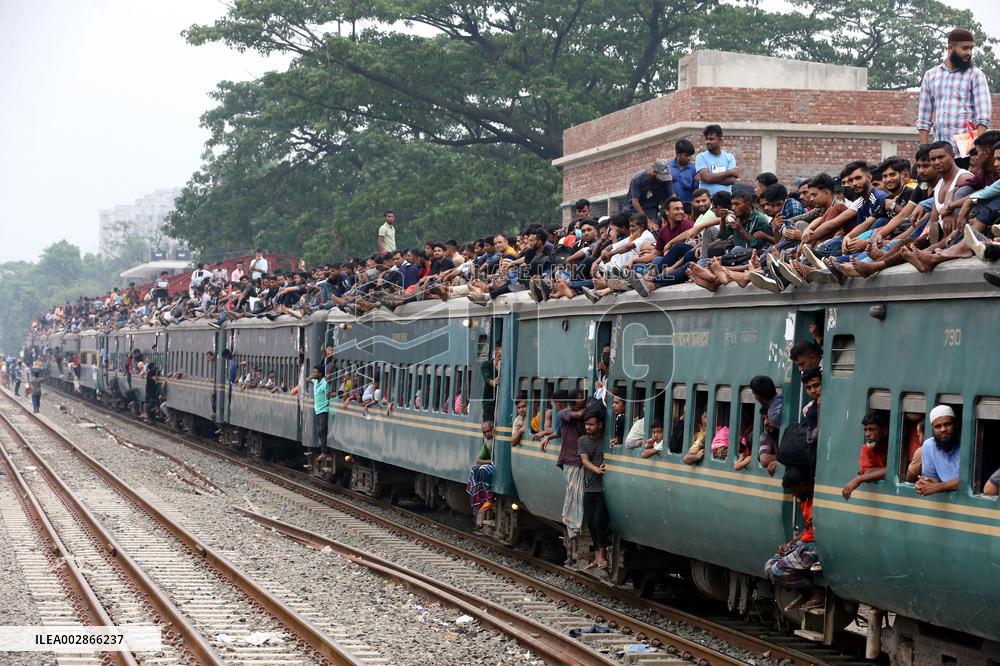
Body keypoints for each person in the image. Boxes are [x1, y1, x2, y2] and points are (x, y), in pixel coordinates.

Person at [916, 28, 992, 155]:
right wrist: (923, 149)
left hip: (966, 152)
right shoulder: (931, 76)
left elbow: (983, 116)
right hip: (940, 152)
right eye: (965, 48)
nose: (969, 53)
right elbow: (924, 118)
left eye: (971, 48)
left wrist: (977, 149)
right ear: (950, 48)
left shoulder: (975, 75)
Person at [765, 465, 824, 612]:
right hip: (804, 544)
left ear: (803, 485)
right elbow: (808, 528)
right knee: (769, 566)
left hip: (814, 547)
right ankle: (805, 593)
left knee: (777, 571)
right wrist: (790, 543)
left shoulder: (819, 502)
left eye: (794, 490)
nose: (794, 495)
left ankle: (815, 592)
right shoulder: (805, 500)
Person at [578, 406, 610, 571]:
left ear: (600, 425)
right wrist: (596, 469)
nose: (588, 427)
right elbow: (584, 460)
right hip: (590, 487)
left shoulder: (607, 439)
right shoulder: (583, 441)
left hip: (603, 489)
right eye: (586, 424)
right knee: (590, 522)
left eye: (591, 424)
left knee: (599, 521)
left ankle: (602, 555)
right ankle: (597, 555)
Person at [841, 411, 889, 500]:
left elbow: (895, 472)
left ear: (884, 430)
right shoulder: (866, 449)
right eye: (865, 430)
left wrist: (859, 479)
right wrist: (885, 471)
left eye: (871, 429)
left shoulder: (896, 446)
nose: (867, 434)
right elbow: (867, 473)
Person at [916, 405, 960, 496]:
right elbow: (932, 478)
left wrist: (938, 487)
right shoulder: (928, 446)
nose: (943, 429)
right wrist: (926, 484)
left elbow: (971, 482)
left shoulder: (967, 444)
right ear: (933, 428)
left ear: (956, 425)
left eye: (947, 424)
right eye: (938, 426)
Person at [621, 159, 674, 227]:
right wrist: (647, 221)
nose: (662, 180)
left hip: (652, 209)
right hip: (634, 210)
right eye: (661, 177)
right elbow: (635, 202)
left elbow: (672, 197)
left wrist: (668, 215)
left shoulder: (667, 179)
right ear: (654, 172)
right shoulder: (638, 179)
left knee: (656, 227)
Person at [695, 124, 739, 196]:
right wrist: (729, 172)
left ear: (720, 140)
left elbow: (732, 180)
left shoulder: (729, 157)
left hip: (725, 199)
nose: (708, 142)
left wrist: (708, 179)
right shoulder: (701, 157)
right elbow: (707, 178)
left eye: (711, 139)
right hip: (708, 200)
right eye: (706, 139)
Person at [751, 375, 782, 475]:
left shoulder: (773, 417)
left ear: (758, 396)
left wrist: (781, 460)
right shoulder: (780, 400)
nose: (766, 422)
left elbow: (764, 460)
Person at [468, 421, 497, 513]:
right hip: (494, 466)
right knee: (475, 469)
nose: (487, 434)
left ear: (494, 429)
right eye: (484, 432)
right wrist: (492, 461)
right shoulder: (488, 443)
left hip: (498, 469)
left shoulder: (499, 440)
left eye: (489, 431)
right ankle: (478, 498)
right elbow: (478, 461)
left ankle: (489, 499)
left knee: (484, 469)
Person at [309, 365, 331, 467]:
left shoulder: (325, 384)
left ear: (320, 374)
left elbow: (328, 395)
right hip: (317, 410)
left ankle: (324, 452)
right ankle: (323, 451)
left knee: (322, 430)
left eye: (315, 372)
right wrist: (312, 377)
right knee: (319, 431)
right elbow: (308, 379)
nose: (313, 374)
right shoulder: (316, 382)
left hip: (323, 410)